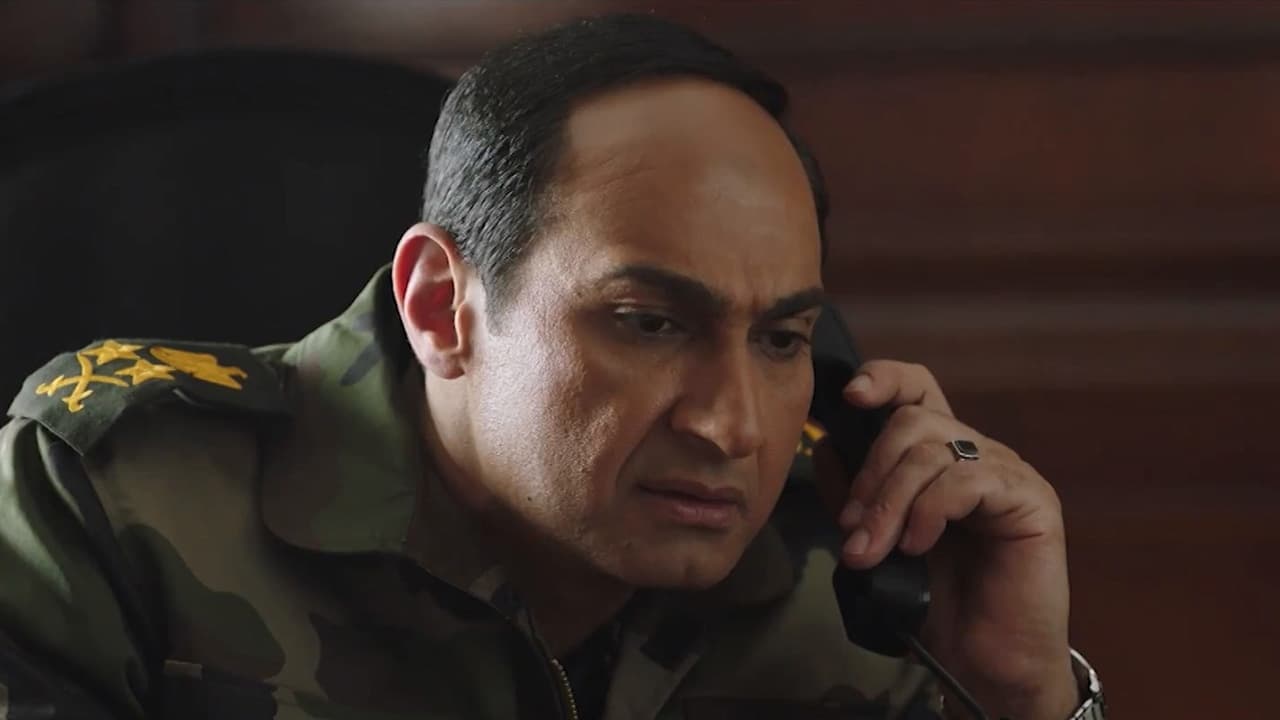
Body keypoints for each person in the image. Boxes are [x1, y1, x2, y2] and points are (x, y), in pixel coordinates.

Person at [0, 14, 1105, 720]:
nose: (732, 425)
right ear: (441, 306)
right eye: (648, 323)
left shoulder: (842, 567)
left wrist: (1021, 695)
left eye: (779, 340)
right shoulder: (120, 494)